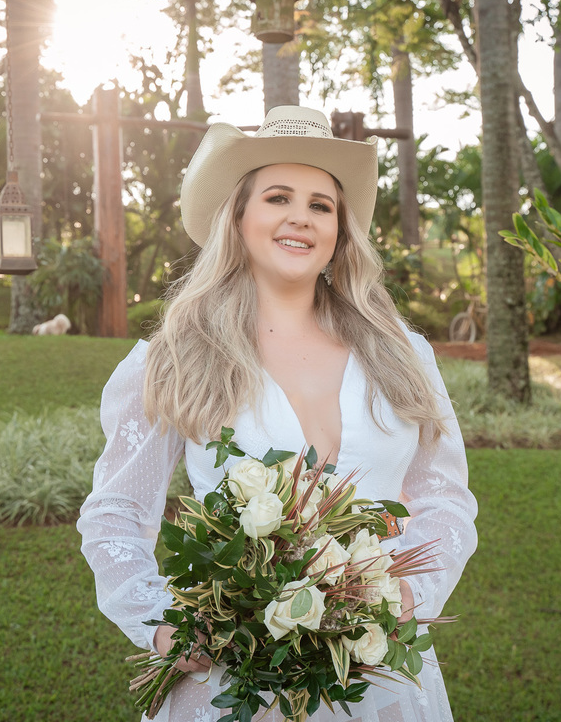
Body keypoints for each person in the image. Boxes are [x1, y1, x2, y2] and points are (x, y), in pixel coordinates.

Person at [77, 106, 479, 722]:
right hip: (236, 681)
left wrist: (405, 594)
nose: (301, 217)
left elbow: (444, 496)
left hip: (383, 676)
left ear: (341, 231)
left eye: (322, 205)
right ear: (236, 218)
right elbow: (117, 510)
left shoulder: (402, 353)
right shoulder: (177, 358)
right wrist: (161, 622)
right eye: (278, 197)